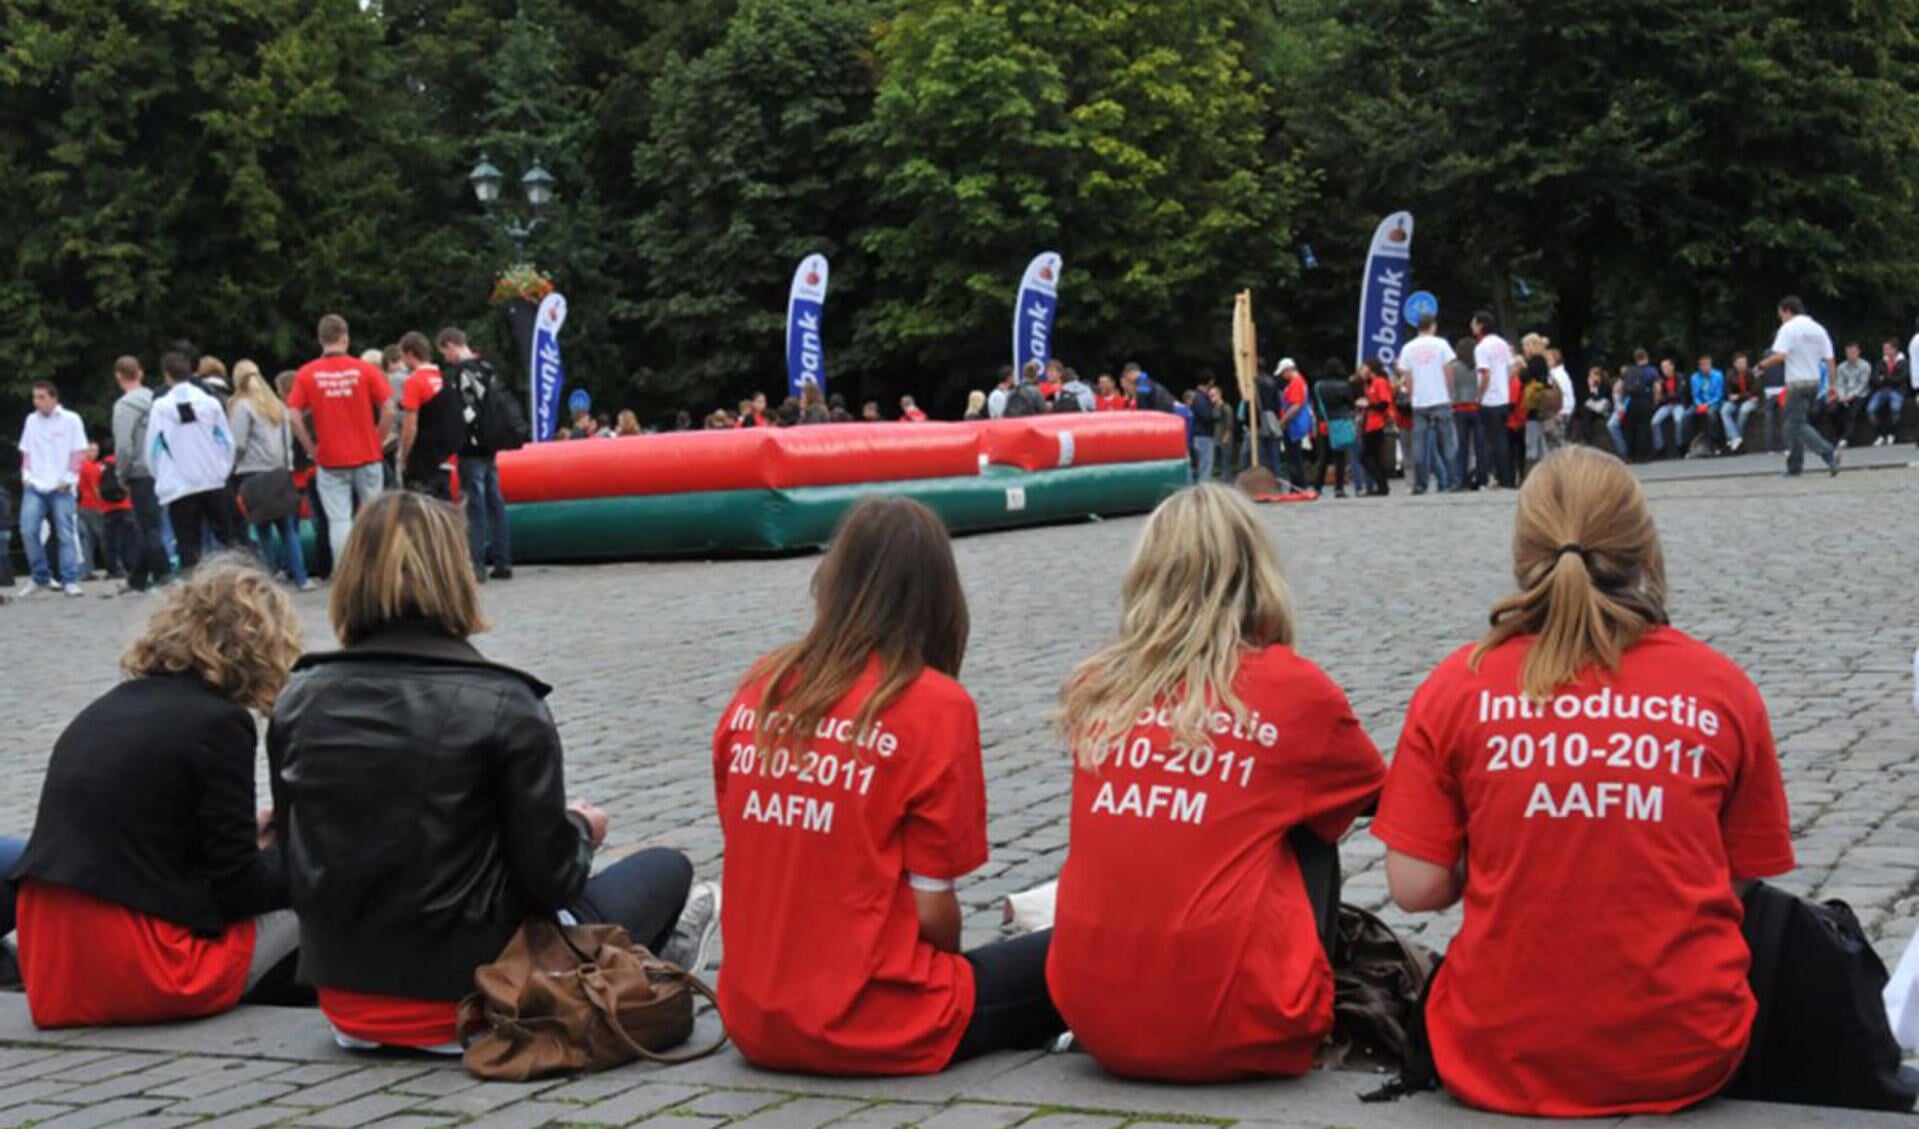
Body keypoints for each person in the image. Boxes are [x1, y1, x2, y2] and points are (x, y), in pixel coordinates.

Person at [1372, 446, 1793, 1116]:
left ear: (1521, 553)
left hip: (1495, 1048)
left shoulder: (1459, 684)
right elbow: (1736, 878)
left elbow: (1415, 887)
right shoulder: (1719, 687)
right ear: (1643, 552)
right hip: (1683, 1049)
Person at [270, 492, 713, 1052]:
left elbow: (293, 859)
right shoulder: (506, 703)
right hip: (477, 999)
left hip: (346, 1002)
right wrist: (580, 829)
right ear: (455, 574)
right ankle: (642, 970)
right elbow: (549, 880)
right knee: (666, 869)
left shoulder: (297, 700)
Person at [711, 496, 1064, 1075]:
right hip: (874, 1018)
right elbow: (932, 914)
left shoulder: (761, 685)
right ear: (937, 594)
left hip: (754, 1017)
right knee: (1071, 953)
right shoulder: (934, 705)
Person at [1046, 485, 1384, 1081]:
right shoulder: (1294, 688)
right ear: (1258, 575)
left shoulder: (1094, 685)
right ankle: (1295, 987)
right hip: (1241, 1027)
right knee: (1313, 815)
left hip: (1097, 1022)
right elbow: (1377, 798)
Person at [9, 559, 304, 1026]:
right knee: (312, 896)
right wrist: (293, 849)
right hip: (140, 962)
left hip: (54, 963)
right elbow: (238, 892)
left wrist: (250, 841)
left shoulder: (107, 706)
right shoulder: (220, 722)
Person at [290, 315, 393, 563]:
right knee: (373, 518)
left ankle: (346, 574)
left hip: (330, 459)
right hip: (368, 456)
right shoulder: (365, 369)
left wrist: (311, 448)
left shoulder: (307, 374)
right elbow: (389, 409)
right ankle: (378, 570)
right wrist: (376, 439)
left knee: (339, 520)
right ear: (345, 338)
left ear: (320, 339)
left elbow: (293, 416)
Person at [438, 326, 514, 581]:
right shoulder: (488, 369)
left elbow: (462, 413)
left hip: (470, 448)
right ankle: (503, 562)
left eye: (445, 353)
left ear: (450, 345)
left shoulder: (460, 373)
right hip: (491, 444)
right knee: (496, 501)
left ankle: (477, 565)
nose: (446, 359)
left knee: (474, 505)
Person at [228, 361, 311, 591]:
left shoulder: (241, 406)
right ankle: (302, 577)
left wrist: (233, 464)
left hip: (253, 472)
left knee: (262, 528)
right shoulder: (277, 405)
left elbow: (239, 443)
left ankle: (271, 577)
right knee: (287, 528)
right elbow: (287, 443)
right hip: (280, 471)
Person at [150, 352, 236, 572]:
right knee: (227, 538)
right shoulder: (210, 403)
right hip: (212, 480)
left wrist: (161, 476)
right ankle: (234, 581)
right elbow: (227, 441)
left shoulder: (160, 407)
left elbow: (152, 448)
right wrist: (222, 470)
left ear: (166, 376)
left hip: (180, 485)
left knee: (188, 544)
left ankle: (193, 591)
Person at [16, 381, 89, 598]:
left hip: (61, 485)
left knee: (65, 533)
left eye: (41, 397)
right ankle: (41, 576)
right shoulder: (31, 420)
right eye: (35, 397)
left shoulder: (71, 419)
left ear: (53, 398)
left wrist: (70, 477)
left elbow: (78, 451)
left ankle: (69, 579)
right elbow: (26, 451)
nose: (37, 402)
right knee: (28, 530)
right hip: (36, 483)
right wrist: (26, 476)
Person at [1756, 296, 1840, 477]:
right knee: (1792, 423)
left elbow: (1779, 356)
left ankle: (1827, 451)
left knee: (1795, 424)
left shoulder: (1788, 329)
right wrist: (1832, 385)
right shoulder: (1818, 329)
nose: (1781, 319)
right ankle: (1794, 466)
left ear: (1787, 311)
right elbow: (1830, 359)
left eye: (1781, 314)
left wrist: (1761, 366)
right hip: (1815, 383)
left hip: (1797, 383)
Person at [111, 357, 171, 593]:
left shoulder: (124, 406)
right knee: (151, 523)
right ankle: (138, 578)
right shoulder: (157, 401)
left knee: (148, 527)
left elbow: (124, 445)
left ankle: (164, 574)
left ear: (118, 376)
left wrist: (121, 473)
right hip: (162, 467)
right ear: (141, 373)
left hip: (140, 470)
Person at [1397, 315, 1457, 495]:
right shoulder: (1441, 344)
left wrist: (1414, 393)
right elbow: (1448, 370)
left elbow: (1406, 375)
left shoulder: (1408, 348)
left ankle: (1421, 483)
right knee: (1447, 442)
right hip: (1440, 398)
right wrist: (1450, 392)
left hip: (1420, 401)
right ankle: (1452, 481)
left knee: (1419, 444)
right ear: (1433, 326)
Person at [396, 331, 456, 498]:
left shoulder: (414, 382)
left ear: (410, 354)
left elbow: (410, 426)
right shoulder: (445, 378)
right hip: (445, 457)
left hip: (422, 458)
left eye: (402, 356)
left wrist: (403, 456)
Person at [1471, 311, 1516, 488]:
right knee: (1503, 438)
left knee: (1492, 441)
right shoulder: (1502, 344)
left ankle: (1499, 476)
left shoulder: (1481, 348)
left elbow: (1485, 374)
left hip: (1489, 400)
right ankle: (1507, 476)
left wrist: (1479, 396)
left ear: (1481, 326)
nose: (1472, 327)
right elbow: (1512, 369)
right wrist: (1505, 384)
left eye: (1474, 323)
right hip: (1504, 398)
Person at [1309, 360, 1354, 498]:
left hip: (1324, 423)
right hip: (1340, 422)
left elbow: (1315, 404)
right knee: (1340, 456)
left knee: (1323, 456)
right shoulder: (1344, 385)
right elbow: (1350, 403)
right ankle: (1339, 488)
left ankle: (1317, 487)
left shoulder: (1318, 386)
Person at [1449, 338, 1483, 489]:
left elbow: (1450, 386)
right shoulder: (1478, 367)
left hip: (1460, 408)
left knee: (1461, 447)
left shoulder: (1454, 367)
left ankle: (1460, 479)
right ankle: (1481, 477)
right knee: (1479, 446)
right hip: (1477, 407)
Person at [1830, 342, 1871, 449]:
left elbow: (1863, 384)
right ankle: (1838, 436)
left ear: (1858, 352)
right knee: (1833, 411)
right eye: (1848, 352)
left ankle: (1846, 438)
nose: (1851, 355)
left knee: (1852, 412)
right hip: (1844, 395)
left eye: (1853, 352)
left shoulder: (1865, 366)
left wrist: (1851, 396)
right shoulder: (1841, 367)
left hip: (1860, 394)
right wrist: (1842, 396)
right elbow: (1840, 384)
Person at [1722, 352, 1762, 453]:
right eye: (1740, 363)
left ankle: (1736, 437)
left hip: (1750, 401)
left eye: (1744, 362)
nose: (1742, 365)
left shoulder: (1752, 373)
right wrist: (1731, 396)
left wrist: (1739, 396)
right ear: (1735, 364)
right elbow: (1728, 391)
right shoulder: (1729, 374)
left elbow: (1755, 391)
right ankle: (1736, 437)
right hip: (1735, 402)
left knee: (1744, 410)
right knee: (1724, 410)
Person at [1869, 340, 1907, 446]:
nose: (1885, 351)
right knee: (1871, 409)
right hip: (1882, 390)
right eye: (1884, 349)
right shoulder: (1881, 362)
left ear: (1894, 349)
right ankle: (1881, 434)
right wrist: (1887, 379)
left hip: (1897, 390)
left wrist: (1885, 378)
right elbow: (1874, 378)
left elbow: (1902, 378)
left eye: (1887, 348)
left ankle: (1892, 433)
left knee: (1895, 409)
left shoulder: (1903, 362)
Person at [1649, 357, 1689, 458]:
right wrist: (1658, 393)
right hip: (1667, 405)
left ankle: (1680, 446)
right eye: (1662, 367)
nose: (1664, 370)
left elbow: (1680, 394)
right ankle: (1660, 448)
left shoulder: (1680, 377)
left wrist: (1665, 396)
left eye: (1666, 367)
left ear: (1672, 367)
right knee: (1655, 422)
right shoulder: (1661, 380)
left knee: (1678, 420)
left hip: (1678, 404)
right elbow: (1659, 398)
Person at [1689, 355, 1726, 454]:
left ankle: (1715, 443)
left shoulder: (1718, 375)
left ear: (1710, 365)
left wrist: (1707, 404)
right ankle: (1689, 444)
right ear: (1699, 367)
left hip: (1714, 402)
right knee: (1687, 415)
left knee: (1711, 414)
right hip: (1700, 403)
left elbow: (1719, 395)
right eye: (1702, 365)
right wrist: (1699, 404)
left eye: (1707, 365)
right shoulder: (1694, 378)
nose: (1705, 367)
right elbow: (1695, 395)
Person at [1574, 366, 1613, 449]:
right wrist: (1591, 388)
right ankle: (1586, 437)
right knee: (1584, 411)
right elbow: (1585, 398)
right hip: (1593, 409)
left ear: (1598, 376)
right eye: (1590, 376)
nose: (1591, 378)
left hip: (1603, 408)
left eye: (1592, 376)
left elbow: (1598, 398)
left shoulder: (1604, 385)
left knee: (1586, 412)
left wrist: (1592, 388)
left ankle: (1588, 439)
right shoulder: (1587, 386)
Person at [1189, 374, 1218, 482]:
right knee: (1205, 465)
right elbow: (1207, 416)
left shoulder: (1198, 397)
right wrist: (1213, 406)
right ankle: (1203, 491)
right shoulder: (1201, 397)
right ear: (1210, 382)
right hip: (1204, 435)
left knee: (1202, 464)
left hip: (1200, 435)